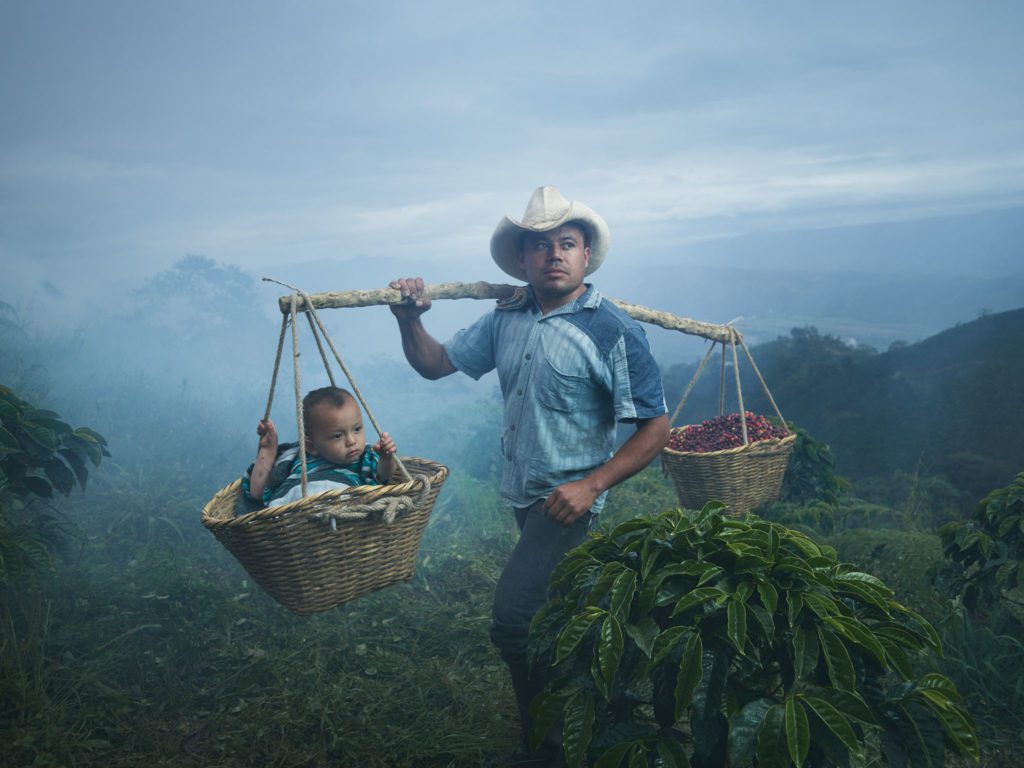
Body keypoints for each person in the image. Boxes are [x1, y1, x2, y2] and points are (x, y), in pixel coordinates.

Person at [389, 186, 670, 764]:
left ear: (586, 256)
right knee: (562, 617)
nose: (554, 256)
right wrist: (407, 320)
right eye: (540, 247)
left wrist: (591, 485)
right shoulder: (508, 318)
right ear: (522, 261)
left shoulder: (612, 330)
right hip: (522, 495)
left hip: (568, 504)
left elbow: (655, 427)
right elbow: (436, 364)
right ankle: (601, 713)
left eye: (567, 244)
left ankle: (548, 751)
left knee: (515, 623)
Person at [242, 386, 397, 509]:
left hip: (346, 515)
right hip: (291, 518)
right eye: (337, 436)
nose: (351, 441)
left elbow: (383, 476)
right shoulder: (294, 457)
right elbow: (257, 492)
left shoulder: (365, 457)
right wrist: (268, 451)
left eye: (357, 429)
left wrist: (387, 457)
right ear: (311, 446)